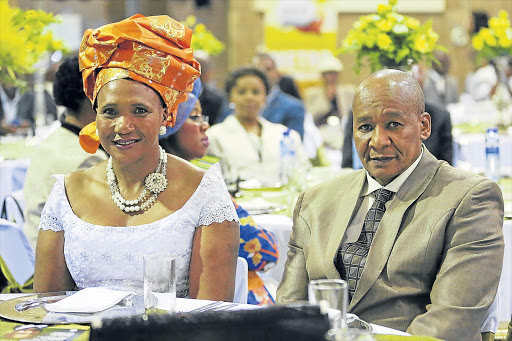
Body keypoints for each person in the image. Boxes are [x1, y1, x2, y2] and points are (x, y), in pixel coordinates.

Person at [277, 69, 504, 341]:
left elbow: (452, 320)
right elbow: (289, 309)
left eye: (393, 124)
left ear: (424, 126)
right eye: (364, 127)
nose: (377, 140)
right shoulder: (315, 202)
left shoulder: (469, 198)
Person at [34, 14, 240, 302]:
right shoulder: (67, 192)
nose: (122, 125)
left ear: (165, 116)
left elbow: (209, 313)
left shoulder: (204, 192)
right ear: (95, 117)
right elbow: (46, 307)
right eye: (110, 112)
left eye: (140, 111)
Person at [159, 80, 278, 306]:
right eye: (194, 117)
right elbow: (265, 253)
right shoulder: (203, 186)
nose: (205, 126)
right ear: (166, 126)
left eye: (203, 117)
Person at [23, 56, 109, 249]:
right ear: (92, 97)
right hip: (55, 263)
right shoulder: (89, 158)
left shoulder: (51, 140)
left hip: (32, 252)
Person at [206, 66, 309, 186]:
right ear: (230, 98)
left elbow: (302, 173)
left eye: (256, 92)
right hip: (235, 202)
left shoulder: (286, 135)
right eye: (241, 92)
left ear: (265, 98)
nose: (249, 97)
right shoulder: (213, 136)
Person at [303, 54, 356, 150]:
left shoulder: (348, 91)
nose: (331, 76)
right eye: (328, 73)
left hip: (342, 129)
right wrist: (326, 96)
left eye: (334, 73)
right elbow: (310, 116)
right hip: (321, 130)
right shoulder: (312, 94)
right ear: (323, 75)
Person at [252, 53, 306, 140]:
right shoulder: (240, 105)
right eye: (258, 70)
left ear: (277, 73)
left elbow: (293, 145)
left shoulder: (293, 107)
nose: (263, 74)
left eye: (268, 69)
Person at [193, 50, 227, 126]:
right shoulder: (175, 94)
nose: (198, 72)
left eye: (202, 68)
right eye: (193, 67)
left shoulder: (217, 99)